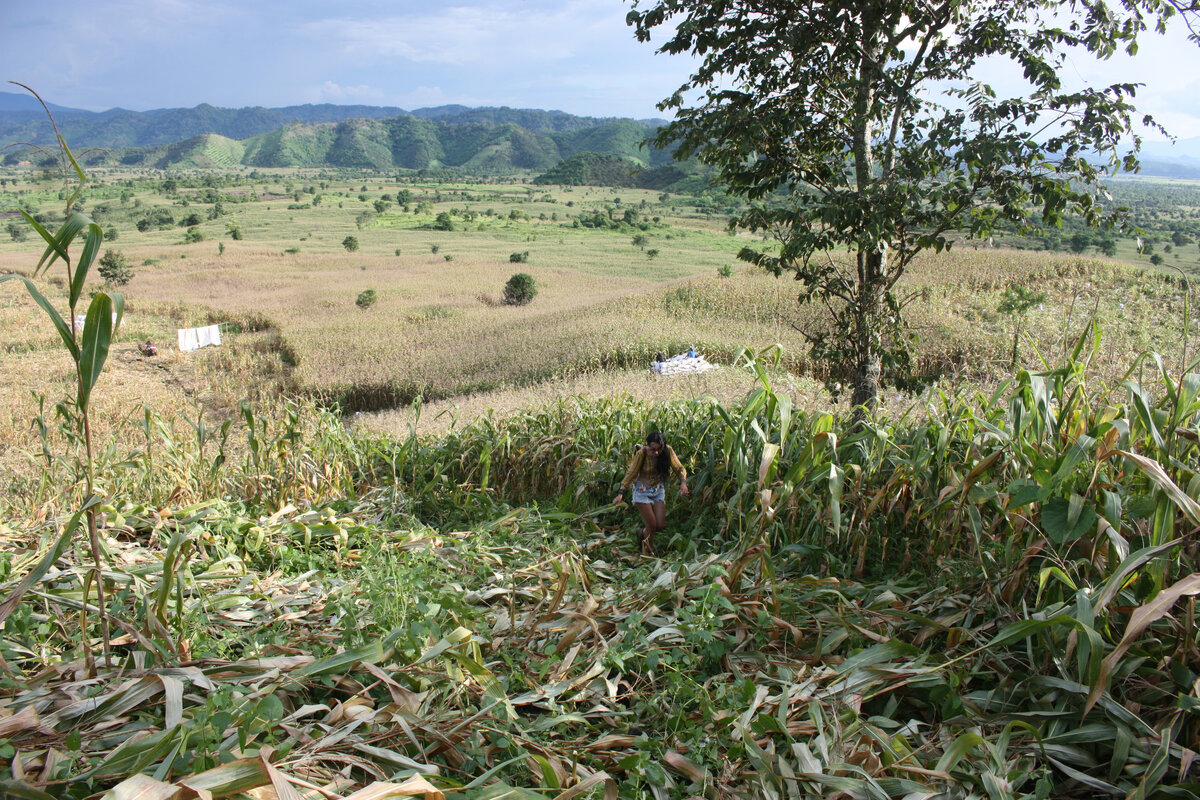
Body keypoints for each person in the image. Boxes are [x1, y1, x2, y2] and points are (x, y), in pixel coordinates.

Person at [612, 431, 688, 555]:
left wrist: (683, 482)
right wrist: (621, 492)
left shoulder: (667, 451)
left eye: (659, 449)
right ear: (647, 446)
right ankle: (648, 550)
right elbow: (631, 472)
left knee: (660, 525)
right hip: (641, 490)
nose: (656, 453)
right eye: (653, 449)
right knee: (652, 525)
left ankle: (641, 533)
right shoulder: (642, 454)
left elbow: (679, 467)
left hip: (658, 490)